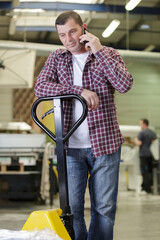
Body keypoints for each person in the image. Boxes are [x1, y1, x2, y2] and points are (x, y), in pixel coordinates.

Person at [35, 11, 133, 240]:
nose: (68, 39)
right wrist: (79, 91)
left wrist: (98, 50)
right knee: (72, 210)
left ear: (84, 28)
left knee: (104, 209)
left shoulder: (108, 54)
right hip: (70, 146)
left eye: (72, 31)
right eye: (62, 35)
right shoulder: (57, 58)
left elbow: (124, 84)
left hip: (105, 145)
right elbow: (41, 88)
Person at [135, 119, 157, 194]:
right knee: (150, 171)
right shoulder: (152, 132)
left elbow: (139, 143)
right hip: (151, 154)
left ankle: (146, 189)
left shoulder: (142, 132)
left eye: (141, 124)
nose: (140, 126)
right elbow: (155, 142)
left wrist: (135, 140)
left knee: (144, 171)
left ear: (144, 124)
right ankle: (149, 186)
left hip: (143, 154)